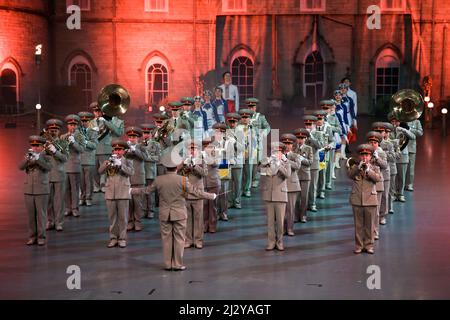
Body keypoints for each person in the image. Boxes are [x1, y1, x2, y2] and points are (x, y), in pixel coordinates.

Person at [131, 148, 216, 271]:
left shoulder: (159, 180)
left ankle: (167, 264)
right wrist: (211, 196)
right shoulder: (182, 180)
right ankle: (177, 264)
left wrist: (131, 190)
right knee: (179, 239)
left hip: (164, 214)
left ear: (165, 167)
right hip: (179, 213)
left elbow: (146, 191)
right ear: (177, 167)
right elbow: (196, 192)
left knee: (166, 240)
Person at [98, 139, 134, 248]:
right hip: (110, 193)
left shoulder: (128, 161)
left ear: (123, 151)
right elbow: (100, 171)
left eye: (120, 150)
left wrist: (121, 165)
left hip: (123, 192)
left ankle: (122, 238)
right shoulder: (108, 160)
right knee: (112, 218)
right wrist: (107, 163)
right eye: (116, 150)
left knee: (123, 218)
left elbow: (131, 172)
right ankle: (113, 238)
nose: (117, 152)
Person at [347, 144, 382, 254]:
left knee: (369, 225)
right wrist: (358, 168)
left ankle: (369, 245)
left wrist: (368, 170)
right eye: (362, 155)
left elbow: (377, 179)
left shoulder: (375, 167)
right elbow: (350, 175)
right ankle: (359, 245)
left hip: (370, 200)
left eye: (366, 155)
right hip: (357, 199)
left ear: (370, 156)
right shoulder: (355, 167)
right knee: (358, 225)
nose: (364, 158)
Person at [19, 135, 52, 246]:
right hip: (29, 189)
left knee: (41, 215)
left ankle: (41, 236)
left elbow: (48, 168)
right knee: (31, 215)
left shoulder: (47, 156)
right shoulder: (29, 155)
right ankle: (32, 236)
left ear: (42, 146)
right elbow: (20, 167)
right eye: (33, 145)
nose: (34, 148)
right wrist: (27, 159)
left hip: (41, 189)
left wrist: (38, 159)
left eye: (37, 146)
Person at [259, 142, 291, 251]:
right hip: (269, 195)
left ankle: (280, 241)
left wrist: (279, 164)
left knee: (280, 222)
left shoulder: (285, 162)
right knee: (270, 221)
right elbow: (259, 167)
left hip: (281, 195)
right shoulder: (267, 161)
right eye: (273, 150)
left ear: (281, 151)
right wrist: (267, 161)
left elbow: (287, 174)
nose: (275, 152)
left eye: (277, 150)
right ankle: (271, 242)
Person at [90, 102, 125, 193]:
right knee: (94, 169)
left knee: (104, 168)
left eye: (99, 111)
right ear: (93, 112)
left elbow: (118, 133)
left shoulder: (108, 121)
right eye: (95, 111)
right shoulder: (91, 122)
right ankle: (96, 185)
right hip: (93, 148)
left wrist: (105, 122)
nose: (97, 113)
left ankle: (103, 185)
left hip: (105, 148)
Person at [180, 141, 208, 249]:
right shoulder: (184, 161)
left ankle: (198, 240)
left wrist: (195, 166)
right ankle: (188, 240)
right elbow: (179, 173)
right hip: (187, 192)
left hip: (197, 193)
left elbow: (205, 173)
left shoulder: (202, 160)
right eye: (190, 149)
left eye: (194, 149)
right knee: (187, 218)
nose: (192, 151)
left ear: (197, 150)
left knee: (198, 218)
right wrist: (184, 165)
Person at [43, 119, 68, 232]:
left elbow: (65, 158)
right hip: (47, 175)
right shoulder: (44, 143)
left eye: (55, 130)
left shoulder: (63, 142)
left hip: (59, 174)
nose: (53, 132)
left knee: (59, 201)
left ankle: (59, 222)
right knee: (48, 200)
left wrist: (55, 151)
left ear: (59, 131)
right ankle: (50, 221)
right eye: (51, 130)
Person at [125, 126, 149, 232]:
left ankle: (138, 222)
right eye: (130, 136)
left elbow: (145, 157)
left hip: (139, 177)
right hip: (128, 178)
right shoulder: (125, 147)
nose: (132, 138)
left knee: (138, 202)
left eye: (134, 137)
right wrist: (128, 150)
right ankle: (130, 221)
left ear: (138, 138)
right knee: (129, 202)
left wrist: (135, 150)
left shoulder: (141, 146)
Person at [61, 114, 85, 217]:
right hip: (65, 165)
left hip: (75, 165)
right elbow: (61, 150)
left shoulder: (80, 136)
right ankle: (67, 208)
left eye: (74, 125)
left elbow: (82, 149)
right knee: (66, 188)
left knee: (75, 189)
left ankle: (75, 208)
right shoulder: (63, 136)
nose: (72, 127)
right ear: (67, 126)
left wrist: (74, 142)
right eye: (71, 124)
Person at [388, 113, 415, 202]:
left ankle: (401, 194)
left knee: (402, 177)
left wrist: (404, 130)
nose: (394, 123)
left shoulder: (403, 129)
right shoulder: (388, 131)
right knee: (393, 177)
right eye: (393, 121)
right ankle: (393, 194)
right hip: (393, 157)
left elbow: (413, 137)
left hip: (403, 156)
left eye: (396, 121)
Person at [366, 131, 388, 240]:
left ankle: (375, 232)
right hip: (367, 185)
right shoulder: (365, 153)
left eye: (374, 142)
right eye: (371, 142)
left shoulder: (381, 152)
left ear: (378, 143)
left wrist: (377, 157)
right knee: (368, 211)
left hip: (378, 185)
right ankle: (367, 231)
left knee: (376, 211)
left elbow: (385, 165)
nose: (372, 144)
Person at [246, 98, 271, 189]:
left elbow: (268, 127)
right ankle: (247, 180)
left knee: (257, 162)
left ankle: (255, 180)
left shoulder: (260, 117)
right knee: (248, 162)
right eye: (249, 107)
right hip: (247, 143)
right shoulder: (244, 117)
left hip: (257, 143)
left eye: (253, 107)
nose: (251, 109)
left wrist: (262, 134)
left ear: (256, 108)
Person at [280, 134, 301, 236]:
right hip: (280, 185)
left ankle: (290, 228)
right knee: (281, 210)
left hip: (292, 186)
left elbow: (297, 166)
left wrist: (286, 160)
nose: (287, 145)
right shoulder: (277, 155)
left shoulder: (295, 155)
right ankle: (282, 229)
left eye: (289, 144)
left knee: (291, 210)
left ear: (292, 145)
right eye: (285, 143)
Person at [293, 128, 313, 223]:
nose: (300, 140)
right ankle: (296, 216)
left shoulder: (309, 148)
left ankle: (303, 215)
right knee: (296, 198)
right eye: (298, 138)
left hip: (305, 176)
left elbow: (310, 162)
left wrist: (301, 159)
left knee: (304, 198)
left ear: (305, 139)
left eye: (302, 138)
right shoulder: (293, 148)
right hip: (296, 175)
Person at [140, 123, 161, 218]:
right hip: (141, 171)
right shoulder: (139, 145)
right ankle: (144, 210)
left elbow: (158, 158)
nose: (146, 135)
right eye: (144, 133)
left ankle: (151, 210)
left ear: (151, 133)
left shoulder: (156, 144)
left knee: (150, 193)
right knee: (143, 192)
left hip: (150, 171)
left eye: (148, 133)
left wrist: (147, 157)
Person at [78, 112, 98, 207]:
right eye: (83, 121)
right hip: (79, 160)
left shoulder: (93, 132)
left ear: (89, 121)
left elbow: (94, 145)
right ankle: (82, 197)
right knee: (81, 181)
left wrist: (85, 142)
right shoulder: (77, 132)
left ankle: (89, 198)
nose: (84, 122)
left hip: (89, 160)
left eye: (86, 121)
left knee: (89, 181)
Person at [303, 115, 323, 212]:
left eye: (309, 124)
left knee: (313, 186)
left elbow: (319, 145)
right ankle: (304, 204)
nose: (308, 126)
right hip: (304, 163)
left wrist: (311, 136)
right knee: (305, 185)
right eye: (306, 124)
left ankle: (312, 203)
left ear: (314, 124)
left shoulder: (318, 133)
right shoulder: (301, 134)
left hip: (314, 162)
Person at [225, 113, 244, 210]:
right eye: (231, 122)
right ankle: (229, 202)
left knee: (237, 183)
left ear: (237, 122)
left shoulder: (240, 133)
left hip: (237, 161)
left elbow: (242, 148)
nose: (232, 124)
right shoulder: (225, 132)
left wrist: (235, 142)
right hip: (227, 161)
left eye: (234, 122)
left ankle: (237, 201)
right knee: (227, 183)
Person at [313, 110, 333, 199]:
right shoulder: (312, 130)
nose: (318, 121)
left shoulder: (327, 128)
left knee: (322, 173)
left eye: (320, 119)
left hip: (323, 154)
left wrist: (329, 146)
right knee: (314, 174)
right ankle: (314, 191)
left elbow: (332, 141)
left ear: (323, 119)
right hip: (313, 154)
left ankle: (321, 191)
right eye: (317, 119)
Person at [320, 100, 342, 183]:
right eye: (324, 108)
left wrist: (330, 127)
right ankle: (322, 178)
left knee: (330, 161)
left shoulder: (334, 117)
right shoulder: (318, 118)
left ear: (330, 109)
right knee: (321, 161)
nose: (325, 110)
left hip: (330, 142)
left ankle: (329, 179)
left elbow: (340, 130)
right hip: (321, 144)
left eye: (327, 108)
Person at [202, 139, 221, 233]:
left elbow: (214, 163)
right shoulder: (200, 155)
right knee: (204, 206)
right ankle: (205, 225)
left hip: (214, 183)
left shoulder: (217, 154)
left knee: (213, 206)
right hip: (203, 184)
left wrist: (207, 155)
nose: (207, 148)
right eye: (205, 146)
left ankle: (212, 225)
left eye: (209, 146)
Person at [238, 108, 257, 197]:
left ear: (249, 118)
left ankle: (247, 189)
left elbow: (256, 140)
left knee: (249, 172)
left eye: (247, 117)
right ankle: (241, 189)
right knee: (240, 173)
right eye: (243, 117)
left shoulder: (252, 127)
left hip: (249, 152)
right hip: (240, 153)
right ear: (241, 118)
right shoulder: (238, 127)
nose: (245, 119)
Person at [405, 118, 423, 191]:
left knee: (410, 167)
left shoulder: (416, 121)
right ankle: (401, 184)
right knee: (401, 167)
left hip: (411, 147)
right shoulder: (402, 119)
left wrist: (409, 129)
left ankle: (409, 184)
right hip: (401, 147)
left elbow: (420, 133)